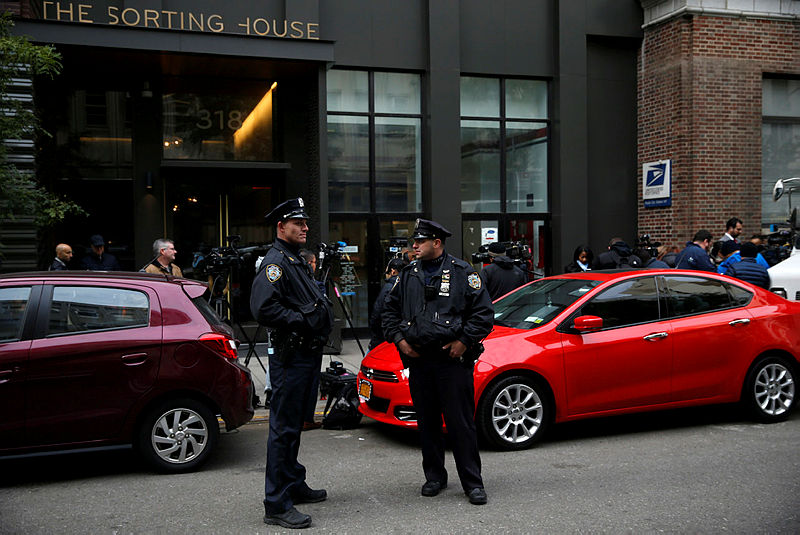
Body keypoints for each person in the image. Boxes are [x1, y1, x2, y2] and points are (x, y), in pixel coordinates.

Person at [382, 218, 494, 506]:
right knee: (427, 422)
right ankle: (434, 476)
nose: (415, 246)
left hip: (451, 362)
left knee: (460, 424)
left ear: (437, 243)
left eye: (420, 241)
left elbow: (483, 314)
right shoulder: (408, 274)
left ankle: (473, 483)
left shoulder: (462, 272)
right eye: (414, 241)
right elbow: (388, 311)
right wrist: (400, 340)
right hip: (421, 361)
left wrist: (464, 341)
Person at [249, 197, 333, 529]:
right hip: (291, 358)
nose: (305, 228)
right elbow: (264, 309)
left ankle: (293, 483)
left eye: (305, 223)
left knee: (295, 426)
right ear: (281, 227)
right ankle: (276, 503)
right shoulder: (276, 263)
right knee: (282, 430)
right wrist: (302, 320)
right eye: (298, 223)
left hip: (306, 356)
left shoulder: (294, 259)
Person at [298, 248, 323, 432]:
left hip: (300, 338)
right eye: (313, 263)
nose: (316, 266)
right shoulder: (314, 285)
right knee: (311, 380)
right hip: (311, 338)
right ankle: (306, 418)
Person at [368, 257, 409, 351]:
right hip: (401, 333)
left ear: (393, 271)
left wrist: (375, 332)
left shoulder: (389, 287)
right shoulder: (409, 285)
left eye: (387, 272)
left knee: (370, 357)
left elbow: (377, 313)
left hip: (384, 335)